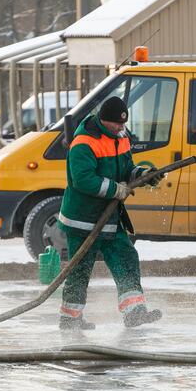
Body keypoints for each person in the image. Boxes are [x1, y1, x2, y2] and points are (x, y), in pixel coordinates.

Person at [57, 96, 163, 330]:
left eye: (123, 123)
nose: (121, 128)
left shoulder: (121, 138)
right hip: (82, 219)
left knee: (126, 257)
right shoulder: (84, 143)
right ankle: (70, 318)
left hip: (110, 217)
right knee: (80, 269)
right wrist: (116, 189)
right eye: (116, 124)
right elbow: (83, 180)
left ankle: (134, 311)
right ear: (104, 120)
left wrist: (144, 175)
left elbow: (126, 169)